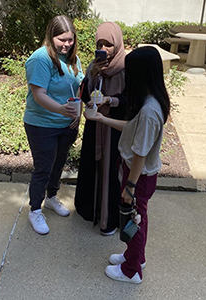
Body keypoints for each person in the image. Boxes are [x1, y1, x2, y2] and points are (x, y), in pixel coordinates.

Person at [84, 46, 170, 283]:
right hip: (137, 174)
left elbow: (140, 153)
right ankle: (135, 256)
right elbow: (132, 128)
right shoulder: (150, 102)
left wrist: (130, 186)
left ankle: (131, 271)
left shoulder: (150, 111)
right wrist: (101, 118)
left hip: (138, 177)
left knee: (134, 220)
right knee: (138, 217)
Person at [24, 15, 84, 235]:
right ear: (51, 36)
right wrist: (61, 109)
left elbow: (78, 86)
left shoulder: (72, 58)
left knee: (58, 164)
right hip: (42, 124)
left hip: (66, 124)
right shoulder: (40, 59)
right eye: (62, 39)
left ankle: (51, 197)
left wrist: (78, 112)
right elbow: (39, 94)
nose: (66, 44)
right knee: (43, 167)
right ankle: (34, 210)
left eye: (70, 39)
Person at [74, 22, 127, 236]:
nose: (104, 50)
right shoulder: (94, 66)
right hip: (94, 125)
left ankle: (110, 218)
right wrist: (91, 75)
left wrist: (110, 100)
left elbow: (129, 101)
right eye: (100, 44)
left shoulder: (126, 67)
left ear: (118, 44)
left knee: (112, 171)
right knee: (91, 166)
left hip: (114, 128)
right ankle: (90, 210)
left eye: (109, 45)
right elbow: (86, 97)